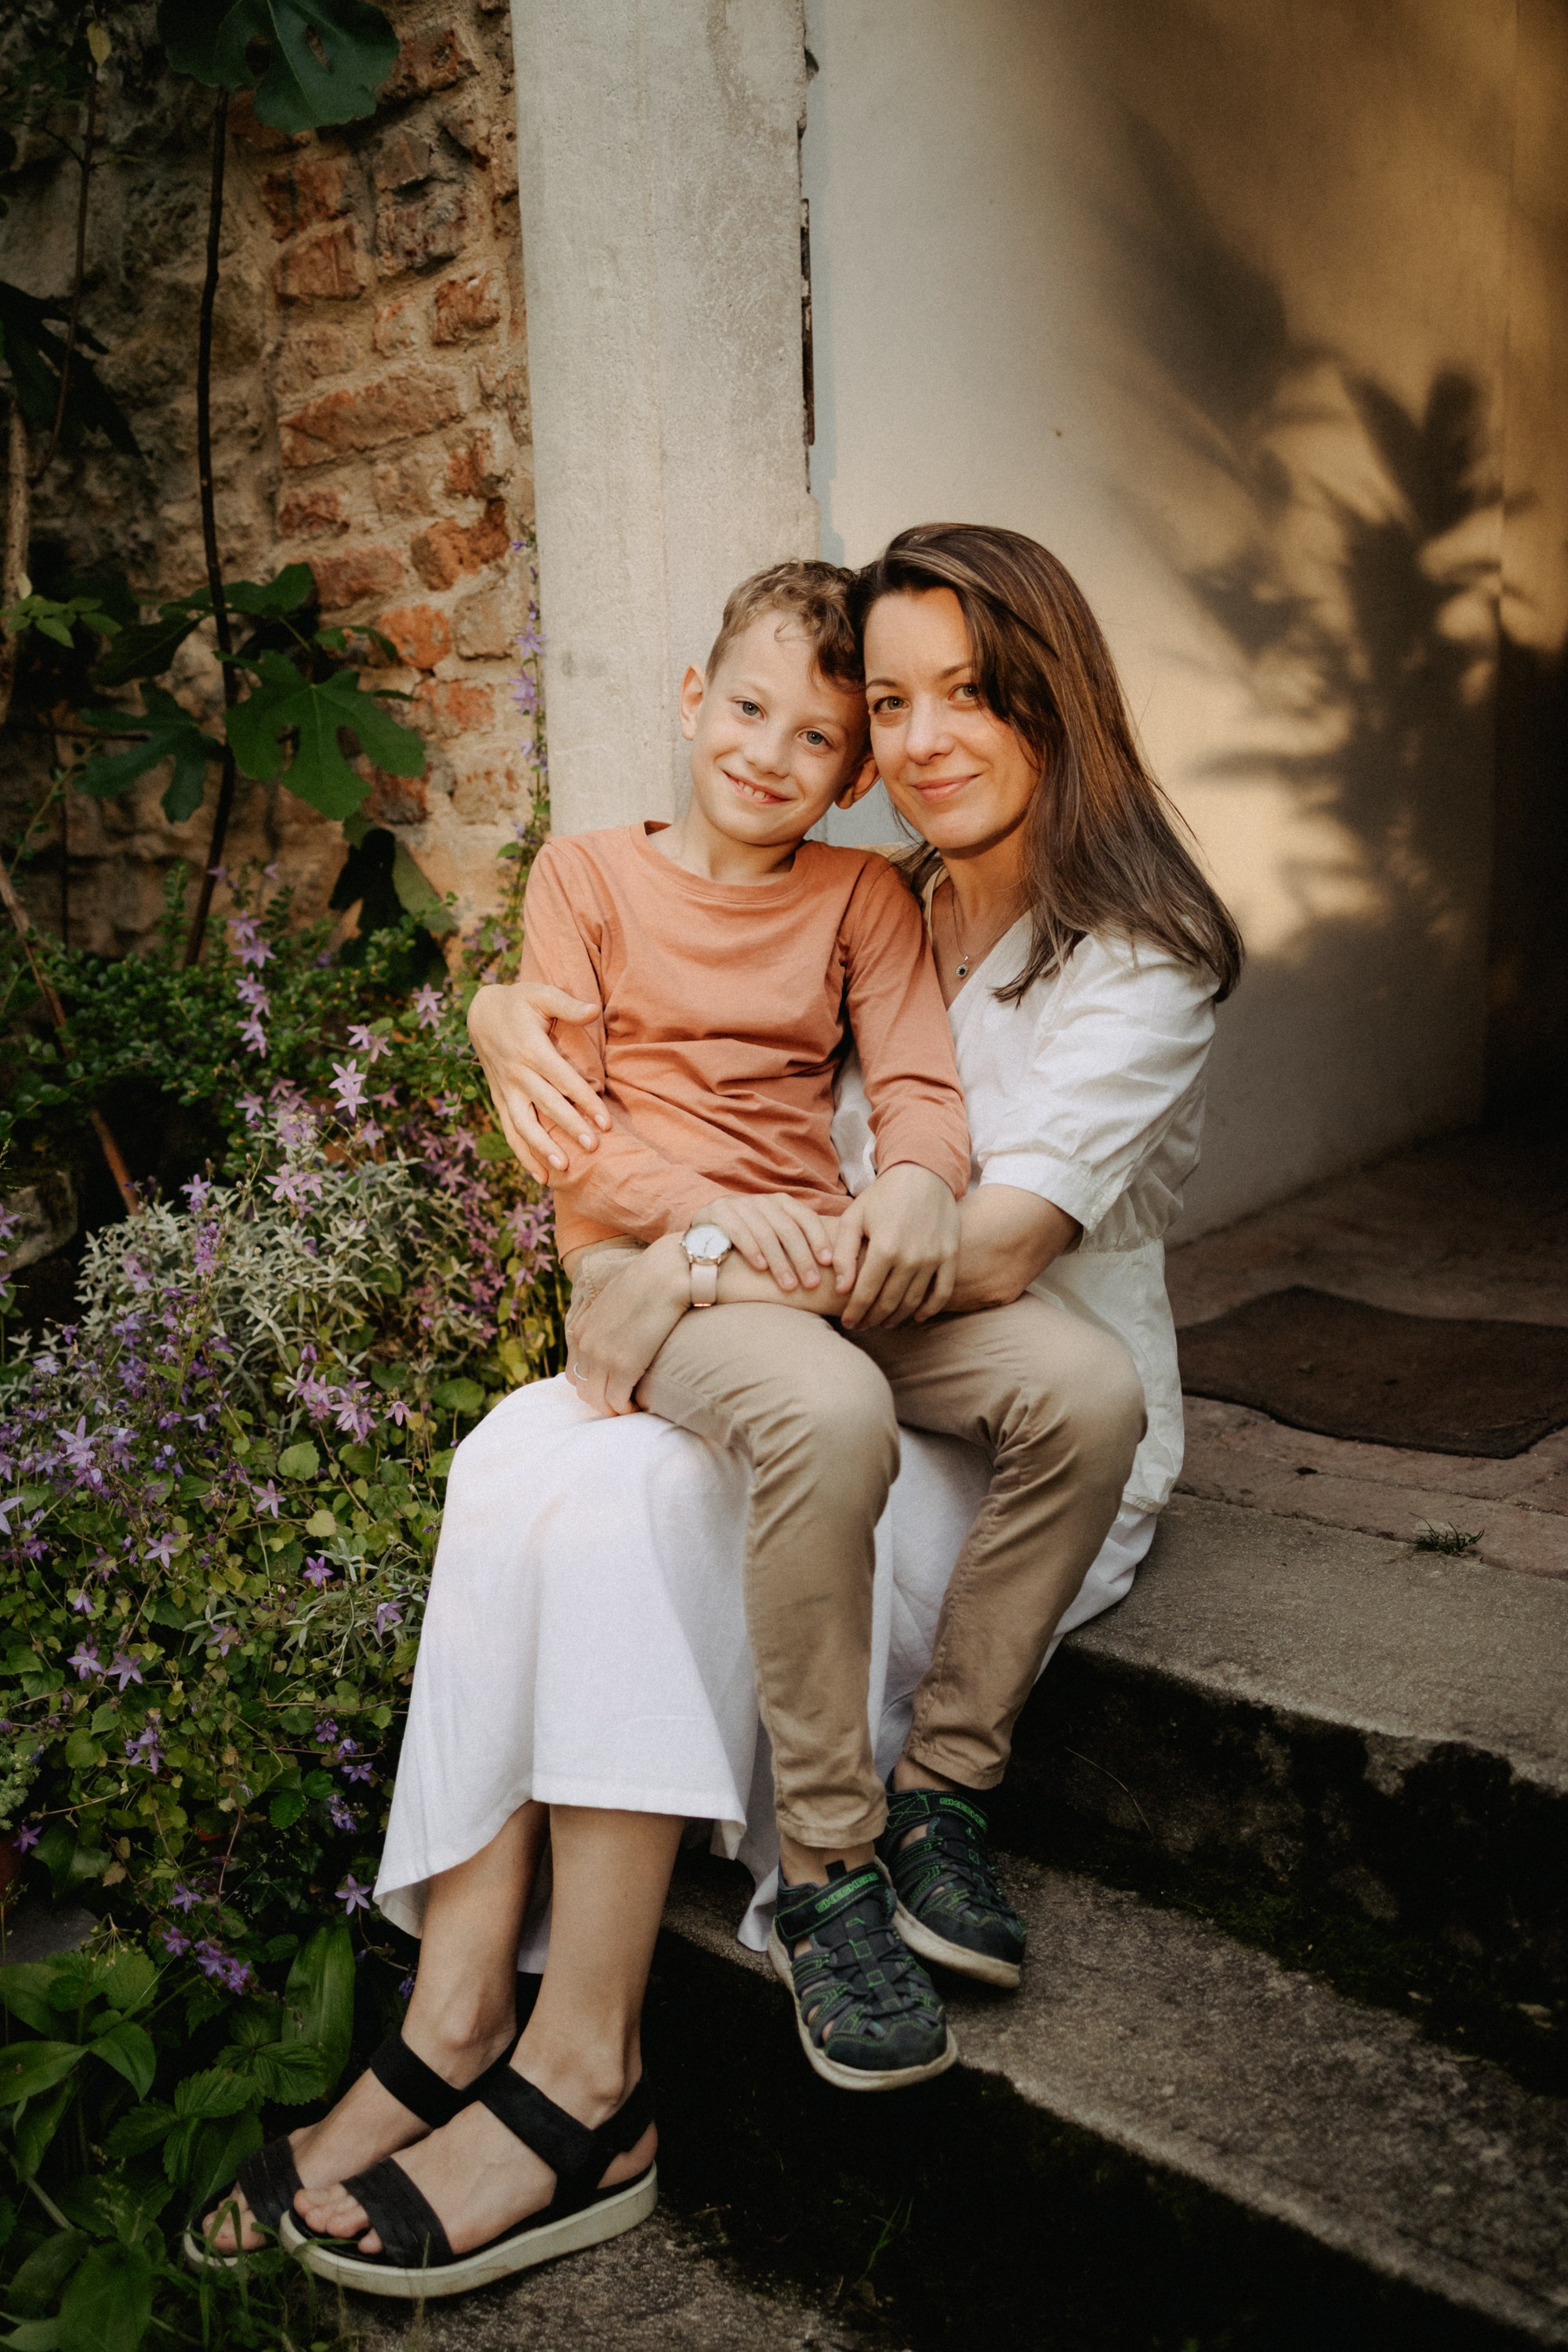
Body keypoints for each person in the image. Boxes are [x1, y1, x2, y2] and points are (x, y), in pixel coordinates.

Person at [203, 525, 1240, 2299]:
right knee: (537, 1465)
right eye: (887, 707)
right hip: (791, 1303)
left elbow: (967, 1219)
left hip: (927, 1363)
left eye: (959, 701)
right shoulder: (891, 884)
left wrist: (694, 1257)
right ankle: (474, 2008)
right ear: (698, 706)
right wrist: (506, 1021)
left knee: (735, 1471)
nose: (907, 740)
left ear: (1055, 708)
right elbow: (602, 1030)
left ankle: (691, 1983)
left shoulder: (1125, 949)